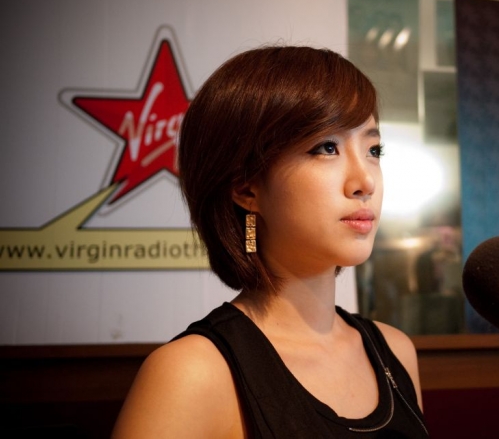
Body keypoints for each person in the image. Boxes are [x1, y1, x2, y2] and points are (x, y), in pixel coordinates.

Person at [111, 45, 428, 438]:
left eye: (373, 150)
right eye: (326, 148)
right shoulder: (192, 372)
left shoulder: (394, 351)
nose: (365, 181)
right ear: (246, 188)